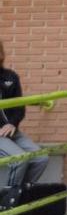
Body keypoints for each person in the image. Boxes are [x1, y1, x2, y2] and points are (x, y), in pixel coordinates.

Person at [0, 40, 49, 187]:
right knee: (20, 158)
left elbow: (19, 106)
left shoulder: (11, 77)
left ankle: (20, 194)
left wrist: (12, 123)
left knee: (41, 158)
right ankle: (8, 202)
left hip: (11, 131)